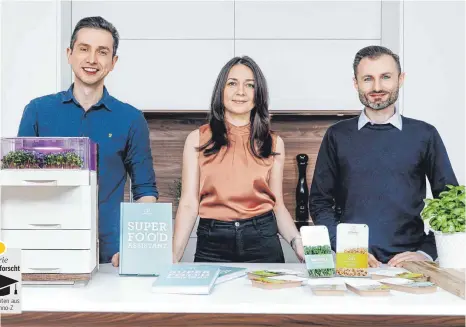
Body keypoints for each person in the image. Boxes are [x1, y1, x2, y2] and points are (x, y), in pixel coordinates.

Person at [17, 16, 159, 267]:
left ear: (113, 62)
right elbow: (19, 185)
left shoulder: (131, 119)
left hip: (110, 257)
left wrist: (135, 251)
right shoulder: (37, 111)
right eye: (84, 49)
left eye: (102, 52)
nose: (92, 59)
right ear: (69, 54)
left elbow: (145, 192)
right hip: (47, 250)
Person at [309, 45, 458, 268]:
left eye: (385, 77)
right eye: (367, 78)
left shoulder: (424, 135)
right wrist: (344, 246)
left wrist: (426, 252)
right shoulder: (337, 135)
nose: (377, 87)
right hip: (352, 263)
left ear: (401, 79)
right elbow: (319, 202)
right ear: (355, 83)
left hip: (411, 267)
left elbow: (451, 202)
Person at [172, 56, 304, 263]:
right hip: (212, 242)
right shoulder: (196, 140)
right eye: (232, 83)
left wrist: (297, 242)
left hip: (262, 240)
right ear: (221, 90)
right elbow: (189, 203)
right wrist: (173, 258)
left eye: (249, 85)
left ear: (258, 93)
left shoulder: (274, 143)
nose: (240, 92)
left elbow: (277, 205)